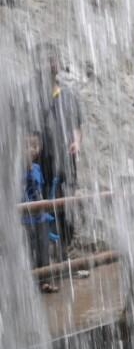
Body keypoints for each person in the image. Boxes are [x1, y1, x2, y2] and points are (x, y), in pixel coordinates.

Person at [36, 44, 83, 259]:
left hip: (65, 158)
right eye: (46, 60)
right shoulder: (33, 95)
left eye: (53, 59)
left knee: (66, 202)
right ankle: (46, 254)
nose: (51, 64)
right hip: (42, 160)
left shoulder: (67, 94)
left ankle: (65, 248)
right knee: (43, 203)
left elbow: (76, 124)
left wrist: (76, 142)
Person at [22, 132, 58, 292]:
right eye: (30, 146)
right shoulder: (19, 170)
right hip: (27, 218)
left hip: (40, 216)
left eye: (36, 146)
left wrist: (44, 206)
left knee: (44, 247)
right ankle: (31, 280)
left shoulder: (37, 168)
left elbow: (40, 189)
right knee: (31, 248)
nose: (34, 150)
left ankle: (45, 281)